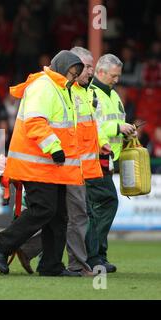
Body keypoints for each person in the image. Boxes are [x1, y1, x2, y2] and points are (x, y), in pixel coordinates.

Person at [0, 50, 85, 277]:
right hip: (37, 163)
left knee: (58, 215)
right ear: (61, 67)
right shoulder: (44, 86)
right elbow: (35, 121)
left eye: (76, 74)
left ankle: (51, 265)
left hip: (49, 165)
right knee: (44, 209)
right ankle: (0, 244)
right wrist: (55, 148)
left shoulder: (58, 87)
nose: (74, 78)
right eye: (72, 72)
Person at [15, 47, 104, 276]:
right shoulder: (64, 90)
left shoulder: (80, 91)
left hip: (74, 166)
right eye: (85, 67)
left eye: (90, 67)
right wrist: (56, 150)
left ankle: (30, 249)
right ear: (69, 66)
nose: (89, 72)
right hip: (66, 165)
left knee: (63, 217)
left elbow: (83, 130)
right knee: (75, 216)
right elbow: (41, 124)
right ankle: (79, 265)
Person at [85, 54, 136, 273]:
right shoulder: (90, 94)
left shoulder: (114, 95)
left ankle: (97, 255)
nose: (117, 79)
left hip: (108, 160)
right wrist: (117, 128)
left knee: (96, 208)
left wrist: (126, 131)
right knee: (106, 203)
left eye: (118, 76)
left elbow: (112, 123)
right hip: (95, 158)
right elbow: (91, 127)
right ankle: (93, 255)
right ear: (101, 72)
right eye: (114, 76)